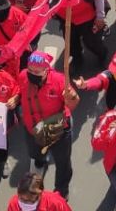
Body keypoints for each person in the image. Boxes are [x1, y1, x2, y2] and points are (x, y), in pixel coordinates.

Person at [17, 52, 79, 198]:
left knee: (62, 163)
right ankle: (40, 160)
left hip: (56, 128)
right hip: (32, 128)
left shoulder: (60, 81)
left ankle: (62, 191)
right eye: (30, 70)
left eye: (37, 72)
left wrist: (71, 98)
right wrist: (15, 97)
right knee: (35, 153)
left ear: (47, 69)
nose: (31, 74)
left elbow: (73, 103)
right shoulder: (22, 76)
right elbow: (20, 92)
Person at [6, 171, 71, 211]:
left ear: (39, 194)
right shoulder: (13, 203)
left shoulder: (57, 204)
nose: (24, 204)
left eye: (29, 201)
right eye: (21, 198)